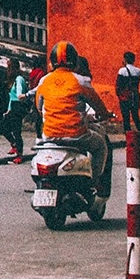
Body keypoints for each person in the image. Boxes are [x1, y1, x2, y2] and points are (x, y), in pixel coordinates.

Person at [36, 40, 114, 188]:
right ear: (75, 62)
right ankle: (94, 182)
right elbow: (98, 106)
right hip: (76, 136)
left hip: (49, 135)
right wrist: (104, 115)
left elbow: (40, 108)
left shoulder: (43, 82)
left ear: (52, 63)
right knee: (100, 146)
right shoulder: (80, 81)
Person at [0, 56, 32, 163]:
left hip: (18, 107)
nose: (8, 70)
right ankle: (14, 145)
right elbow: (11, 97)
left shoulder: (19, 79)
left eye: (9, 67)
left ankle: (19, 155)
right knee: (3, 126)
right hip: (13, 106)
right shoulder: (12, 81)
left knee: (16, 131)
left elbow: (19, 95)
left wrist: (19, 97)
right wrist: (8, 109)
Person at [114, 52, 140, 135]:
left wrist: (119, 95)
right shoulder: (138, 71)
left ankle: (129, 140)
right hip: (135, 96)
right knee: (136, 118)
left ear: (124, 59)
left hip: (125, 97)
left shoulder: (122, 71)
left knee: (126, 119)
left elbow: (118, 85)